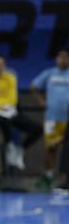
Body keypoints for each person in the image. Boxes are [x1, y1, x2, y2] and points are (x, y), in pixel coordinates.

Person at [30, 48, 69, 189]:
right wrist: (41, 100)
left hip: (67, 120)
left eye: (66, 57)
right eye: (61, 57)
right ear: (56, 59)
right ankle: (48, 176)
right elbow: (33, 86)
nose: (63, 60)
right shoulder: (50, 74)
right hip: (52, 118)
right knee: (51, 148)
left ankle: (66, 179)